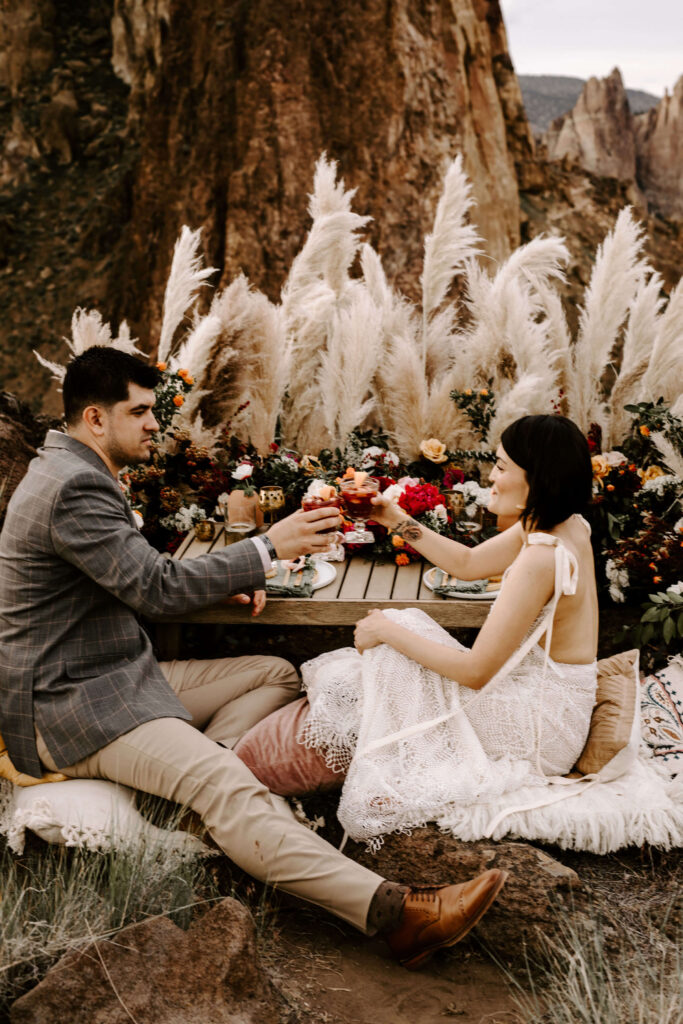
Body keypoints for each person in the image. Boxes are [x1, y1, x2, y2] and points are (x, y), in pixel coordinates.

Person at [0, 345, 507, 970]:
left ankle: (202, 795)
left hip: (111, 674)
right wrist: (270, 546)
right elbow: (153, 589)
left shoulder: (69, 469)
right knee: (225, 785)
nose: (156, 423)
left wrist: (220, 579)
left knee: (272, 673)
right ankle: (398, 914)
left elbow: (131, 575)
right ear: (96, 419)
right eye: (140, 412)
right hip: (73, 704)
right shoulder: (73, 484)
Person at [234, 415, 599, 848]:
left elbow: (476, 671)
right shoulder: (562, 523)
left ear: (536, 479)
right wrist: (392, 517)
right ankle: (268, 762)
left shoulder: (542, 557)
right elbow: (466, 564)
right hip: (548, 699)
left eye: (502, 467)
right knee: (395, 660)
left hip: (542, 728)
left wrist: (385, 630)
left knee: (399, 637)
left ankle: (261, 772)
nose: (492, 477)